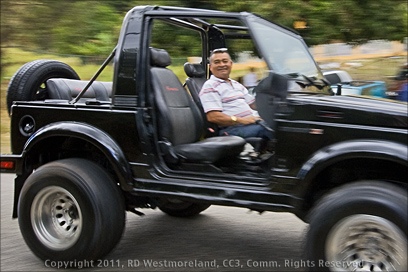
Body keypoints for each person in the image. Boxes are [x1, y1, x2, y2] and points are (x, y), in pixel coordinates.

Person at [199, 48, 273, 141]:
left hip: (252, 123)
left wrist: (273, 106)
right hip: (232, 129)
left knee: (282, 124)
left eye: (225, 61)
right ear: (210, 67)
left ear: (231, 64)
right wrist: (244, 120)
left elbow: (254, 104)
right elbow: (213, 116)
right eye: (217, 62)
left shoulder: (236, 84)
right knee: (275, 131)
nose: (222, 65)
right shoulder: (210, 86)